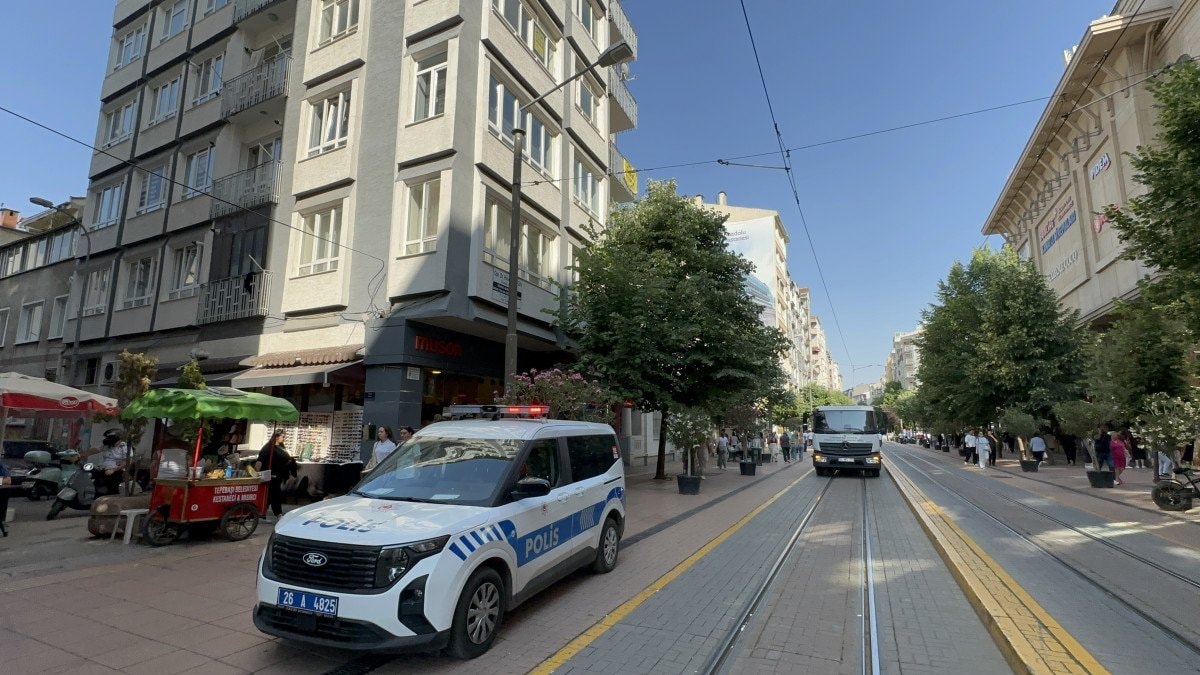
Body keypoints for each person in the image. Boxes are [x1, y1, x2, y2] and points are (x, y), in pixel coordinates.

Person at [256, 430, 293, 520]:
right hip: (271, 475)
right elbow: (260, 460)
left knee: (270, 495)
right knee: (275, 494)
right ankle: (278, 513)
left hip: (279, 475)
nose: (284, 438)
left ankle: (262, 512)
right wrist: (256, 473)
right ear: (276, 437)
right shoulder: (268, 448)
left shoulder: (281, 447)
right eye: (282, 437)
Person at [83, 429, 128, 496]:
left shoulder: (124, 447)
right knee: (94, 488)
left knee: (110, 493)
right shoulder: (108, 445)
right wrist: (79, 454)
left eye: (109, 438)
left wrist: (113, 470)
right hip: (104, 471)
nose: (107, 439)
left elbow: (127, 462)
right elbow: (95, 450)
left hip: (116, 473)